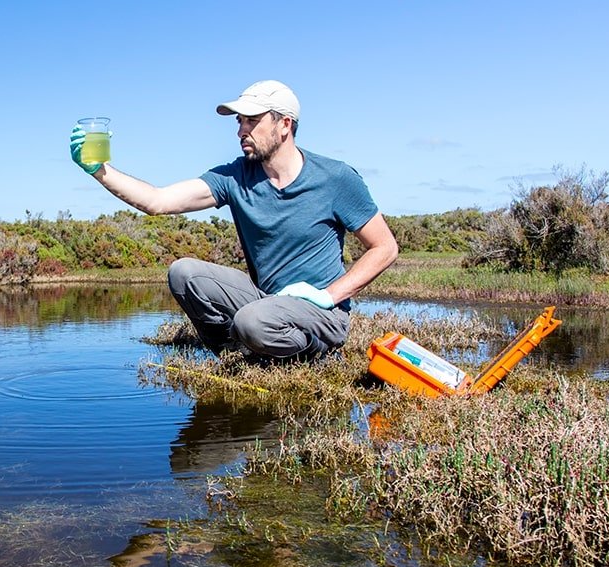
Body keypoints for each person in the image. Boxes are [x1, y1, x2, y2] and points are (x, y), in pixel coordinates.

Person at [69, 80, 398, 360]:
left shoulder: (335, 178)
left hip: (321, 313)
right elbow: (158, 201)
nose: (241, 130)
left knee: (253, 321)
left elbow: (384, 247)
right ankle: (234, 352)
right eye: (239, 121)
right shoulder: (235, 176)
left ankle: (308, 354)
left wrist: (329, 295)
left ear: (284, 125)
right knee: (184, 273)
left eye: (251, 121)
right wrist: (100, 171)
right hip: (265, 300)